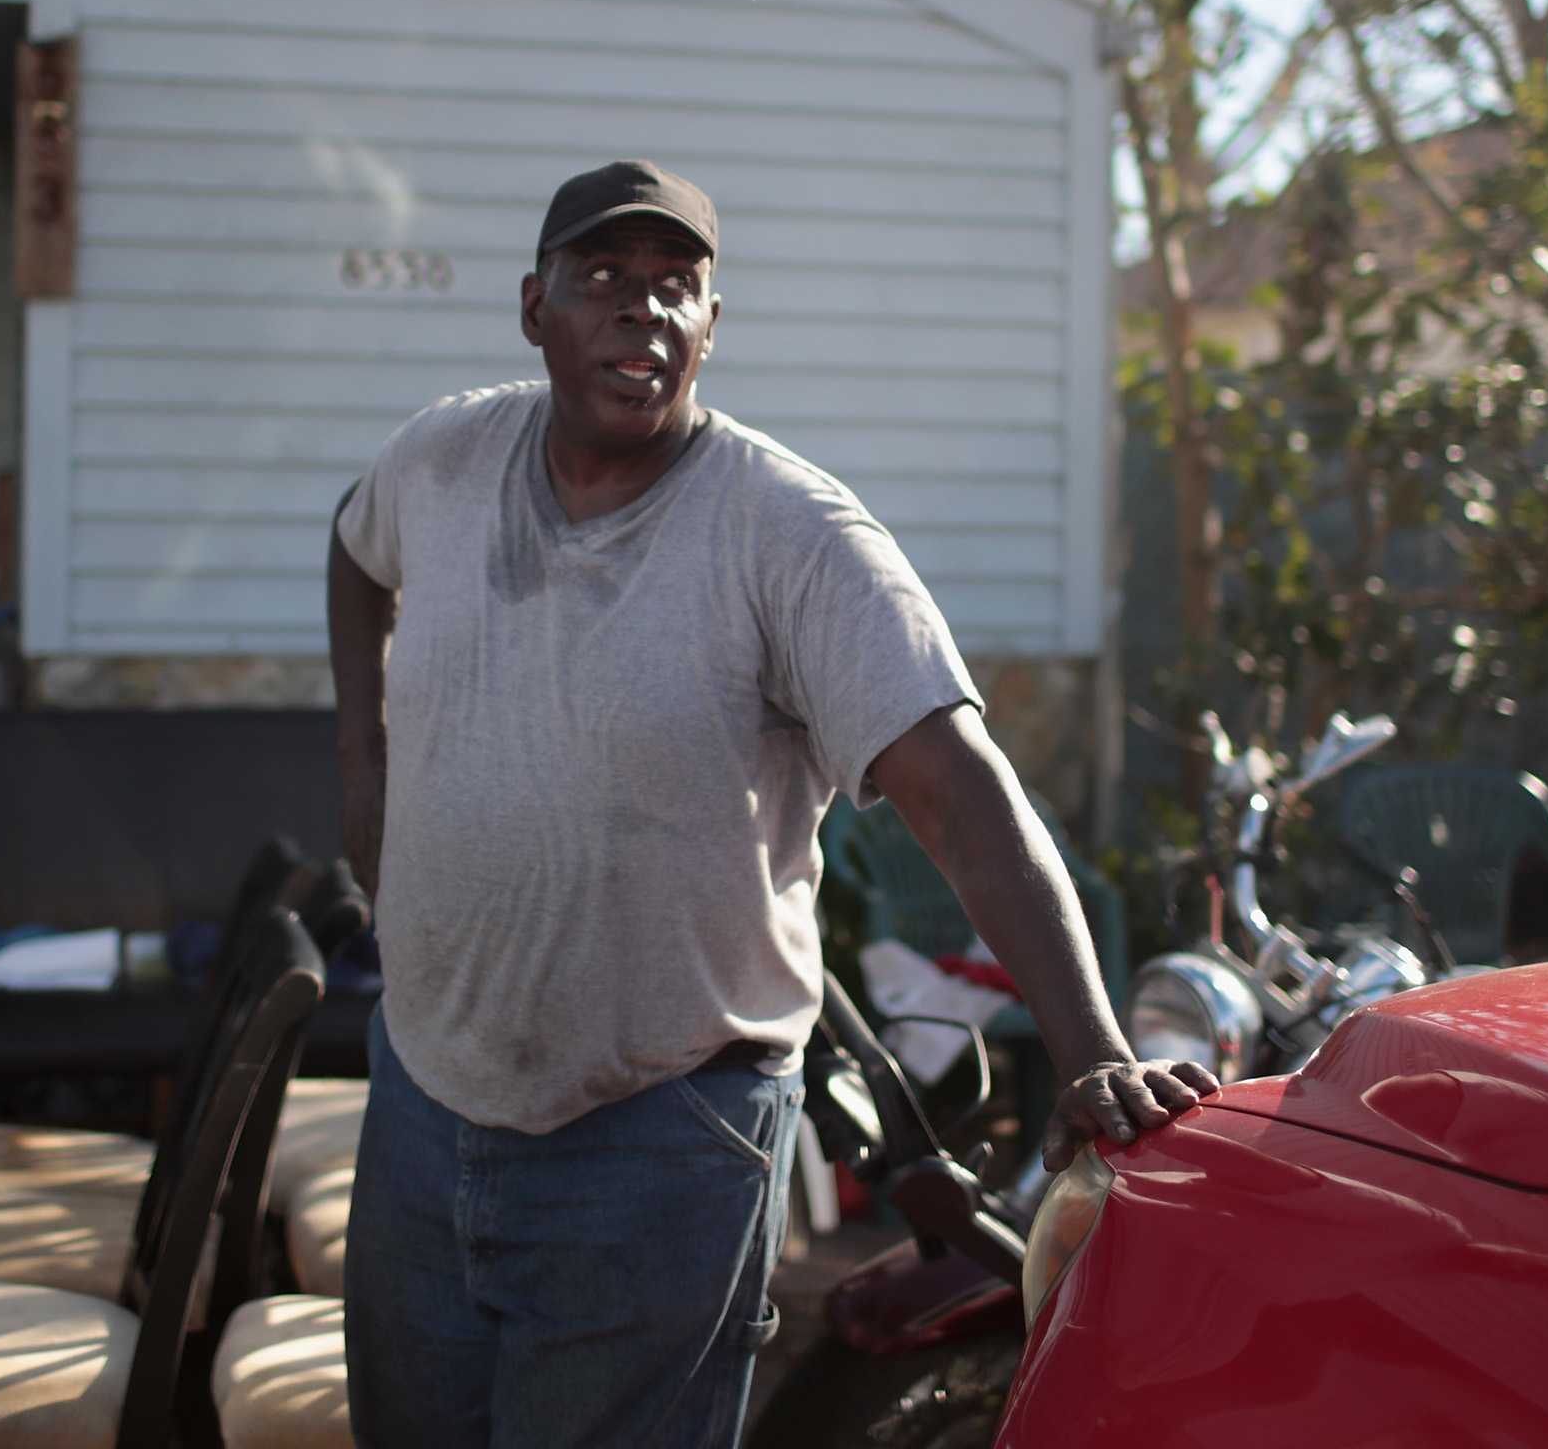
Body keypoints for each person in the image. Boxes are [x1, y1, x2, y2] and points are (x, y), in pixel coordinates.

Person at [329, 160, 1212, 1447]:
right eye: (604, 281)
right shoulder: (445, 455)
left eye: (675, 287)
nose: (643, 313)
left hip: (654, 1138)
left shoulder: (792, 537)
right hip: (424, 1098)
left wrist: (1088, 1047)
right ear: (535, 308)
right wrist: (363, 751)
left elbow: (964, 797)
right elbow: (355, 553)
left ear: (711, 324)